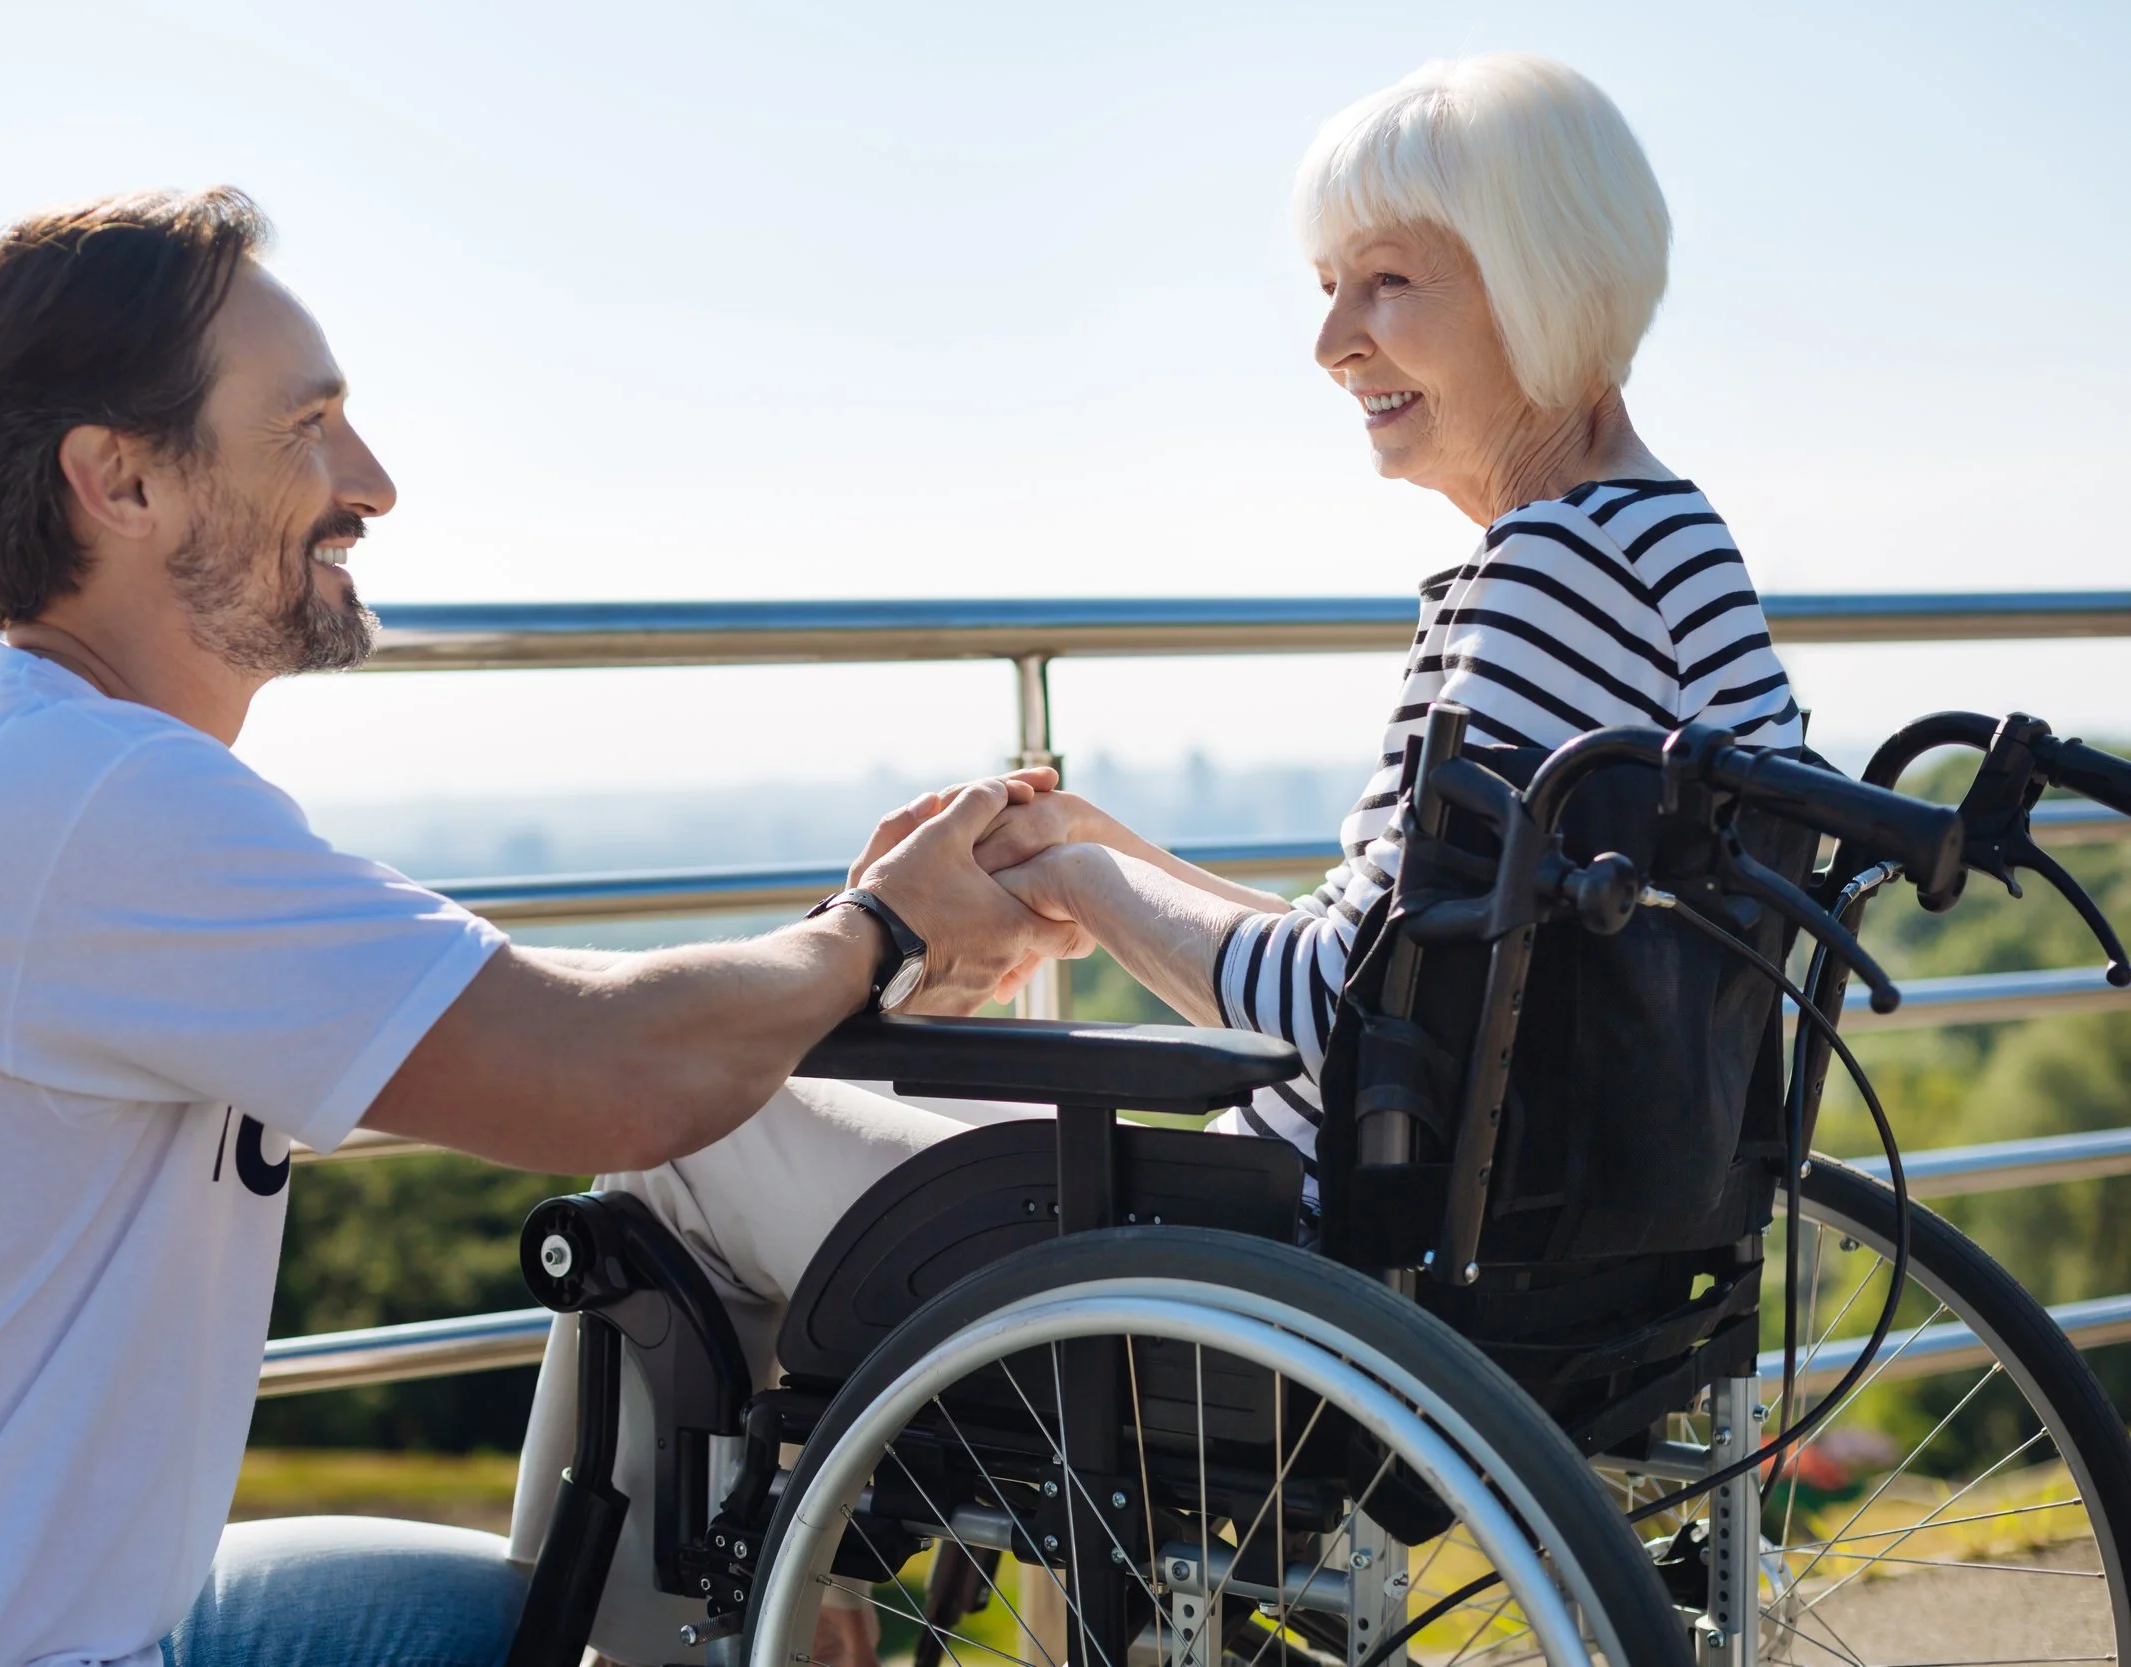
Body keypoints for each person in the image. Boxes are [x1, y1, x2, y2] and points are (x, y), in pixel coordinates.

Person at [0, 189, 1077, 1667]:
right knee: (611, 1642)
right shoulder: (87, 804)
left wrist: (826, 959)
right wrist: (879, 932)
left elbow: (530, 1018)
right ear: (121, 481)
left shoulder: (3, 751)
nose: (374, 482)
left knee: (570, 1620)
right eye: (308, 426)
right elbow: (599, 1068)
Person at [515, 51, 1807, 1667]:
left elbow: (1339, 1006)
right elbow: (1423, 963)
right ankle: (815, 1594)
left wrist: (1083, 887)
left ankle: (667, 1630)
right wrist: (1084, 844)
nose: (1334, 340)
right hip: (1565, 1248)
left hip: (1285, 1261)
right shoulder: (1670, 543)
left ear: (1540, 280)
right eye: (1331, 287)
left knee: (679, 1135)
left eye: (1388, 285)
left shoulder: (1534, 581)